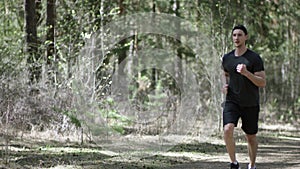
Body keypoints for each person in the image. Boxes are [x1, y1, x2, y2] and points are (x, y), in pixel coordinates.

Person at [221, 25, 266, 169]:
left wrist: (247, 73)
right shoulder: (227, 58)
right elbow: (225, 74)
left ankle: (252, 165)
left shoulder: (254, 58)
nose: (236, 38)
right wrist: (225, 85)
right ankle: (234, 163)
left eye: (240, 35)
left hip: (250, 103)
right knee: (228, 129)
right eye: (234, 35)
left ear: (246, 37)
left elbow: (262, 82)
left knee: (250, 137)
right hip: (232, 101)